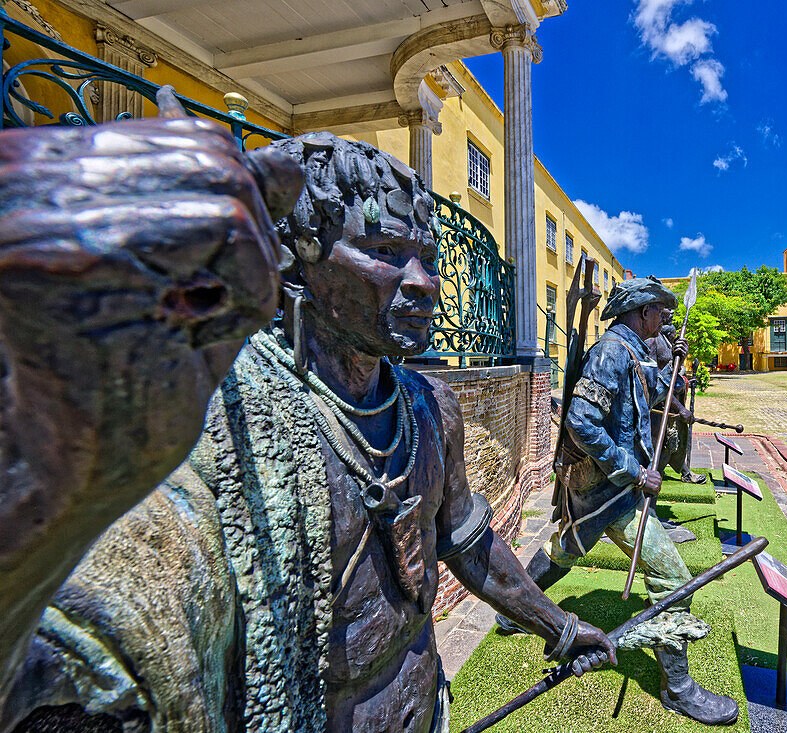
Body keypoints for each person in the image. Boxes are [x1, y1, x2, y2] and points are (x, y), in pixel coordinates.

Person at [0, 111, 613, 731]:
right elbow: (90, 639)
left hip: (426, 707)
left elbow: (467, 540)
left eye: (427, 259)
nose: (424, 283)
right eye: (384, 253)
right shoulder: (222, 428)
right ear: (297, 261)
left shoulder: (431, 409)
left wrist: (560, 626)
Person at [496, 278, 739, 726]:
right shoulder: (611, 352)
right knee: (672, 577)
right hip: (608, 492)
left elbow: (647, 395)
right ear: (641, 312)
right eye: (660, 312)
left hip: (609, 489)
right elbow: (580, 422)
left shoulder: (635, 350)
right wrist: (633, 469)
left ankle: (514, 612)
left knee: (565, 549)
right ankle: (679, 689)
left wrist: (674, 366)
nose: (665, 319)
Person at [646, 307, 708, 484]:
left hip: (673, 403)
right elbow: (655, 383)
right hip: (660, 406)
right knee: (660, 445)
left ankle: (684, 471)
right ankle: (648, 491)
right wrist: (680, 408)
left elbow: (674, 370)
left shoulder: (666, 339)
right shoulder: (652, 341)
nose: (671, 313)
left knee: (675, 439)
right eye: (665, 310)